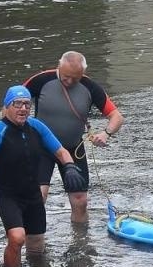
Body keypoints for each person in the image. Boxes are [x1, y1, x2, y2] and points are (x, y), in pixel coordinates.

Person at [0, 86, 84, 267]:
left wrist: (70, 167)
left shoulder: (37, 126)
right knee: (17, 238)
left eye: (26, 104)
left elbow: (61, 151)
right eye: (17, 104)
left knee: (37, 244)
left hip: (33, 194)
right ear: (7, 106)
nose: (23, 108)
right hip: (7, 194)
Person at [26, 51, 124, 223]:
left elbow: (116, 116)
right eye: (66, 77)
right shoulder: (41, 80)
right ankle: (34, 240)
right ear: (59, 66)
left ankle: (80, 242)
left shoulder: (90, 87)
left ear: (83, 73)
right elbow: (11, 105)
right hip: (41, 148)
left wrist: (106, 133)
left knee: (80, 200)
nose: (70, 82)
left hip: (73, 149)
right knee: (38, 197)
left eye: (75, 78)